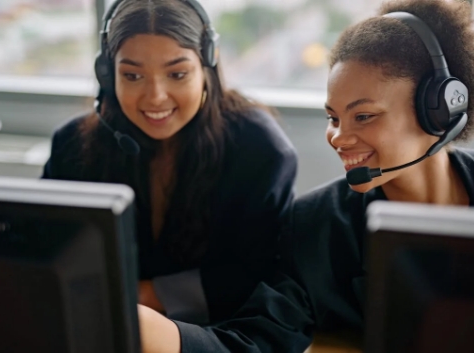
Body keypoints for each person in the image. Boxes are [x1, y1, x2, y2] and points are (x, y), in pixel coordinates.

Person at [135, 0, 474, 352]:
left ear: (438, 112)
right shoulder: (316, 226)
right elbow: (260, 340)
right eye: (333, 118)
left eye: (363, 116)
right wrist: (163, 336)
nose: (339, 138)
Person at [42, 0, 297, 326]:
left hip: (215, 335)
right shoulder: (72, 145)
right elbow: (46, 245)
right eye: (132, 76)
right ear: (107, 74)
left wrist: (146, 295)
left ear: (208, 63)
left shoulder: (261, 150)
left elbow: (261, 273)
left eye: (177, 74)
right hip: (98, 326)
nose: (155, 97)